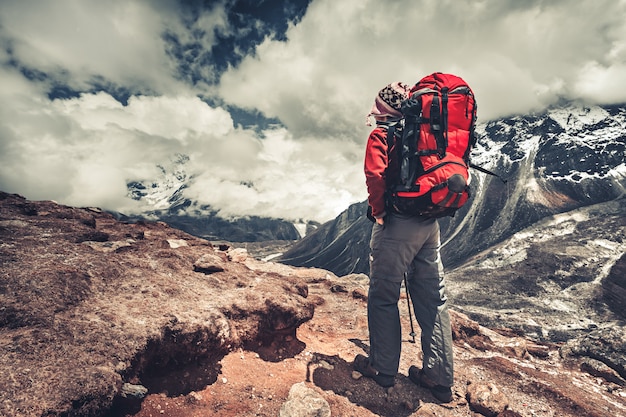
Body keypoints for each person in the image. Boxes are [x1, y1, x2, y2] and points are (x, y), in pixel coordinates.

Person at [353, 81, 454, 403]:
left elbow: (375, 175)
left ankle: (382, 368)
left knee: (384, 294)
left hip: (398, 223)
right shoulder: (427, 135)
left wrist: (379, 212)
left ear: (383, 107)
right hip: (430, 221)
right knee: (433, 298)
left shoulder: (383, 134)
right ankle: (438, 379)